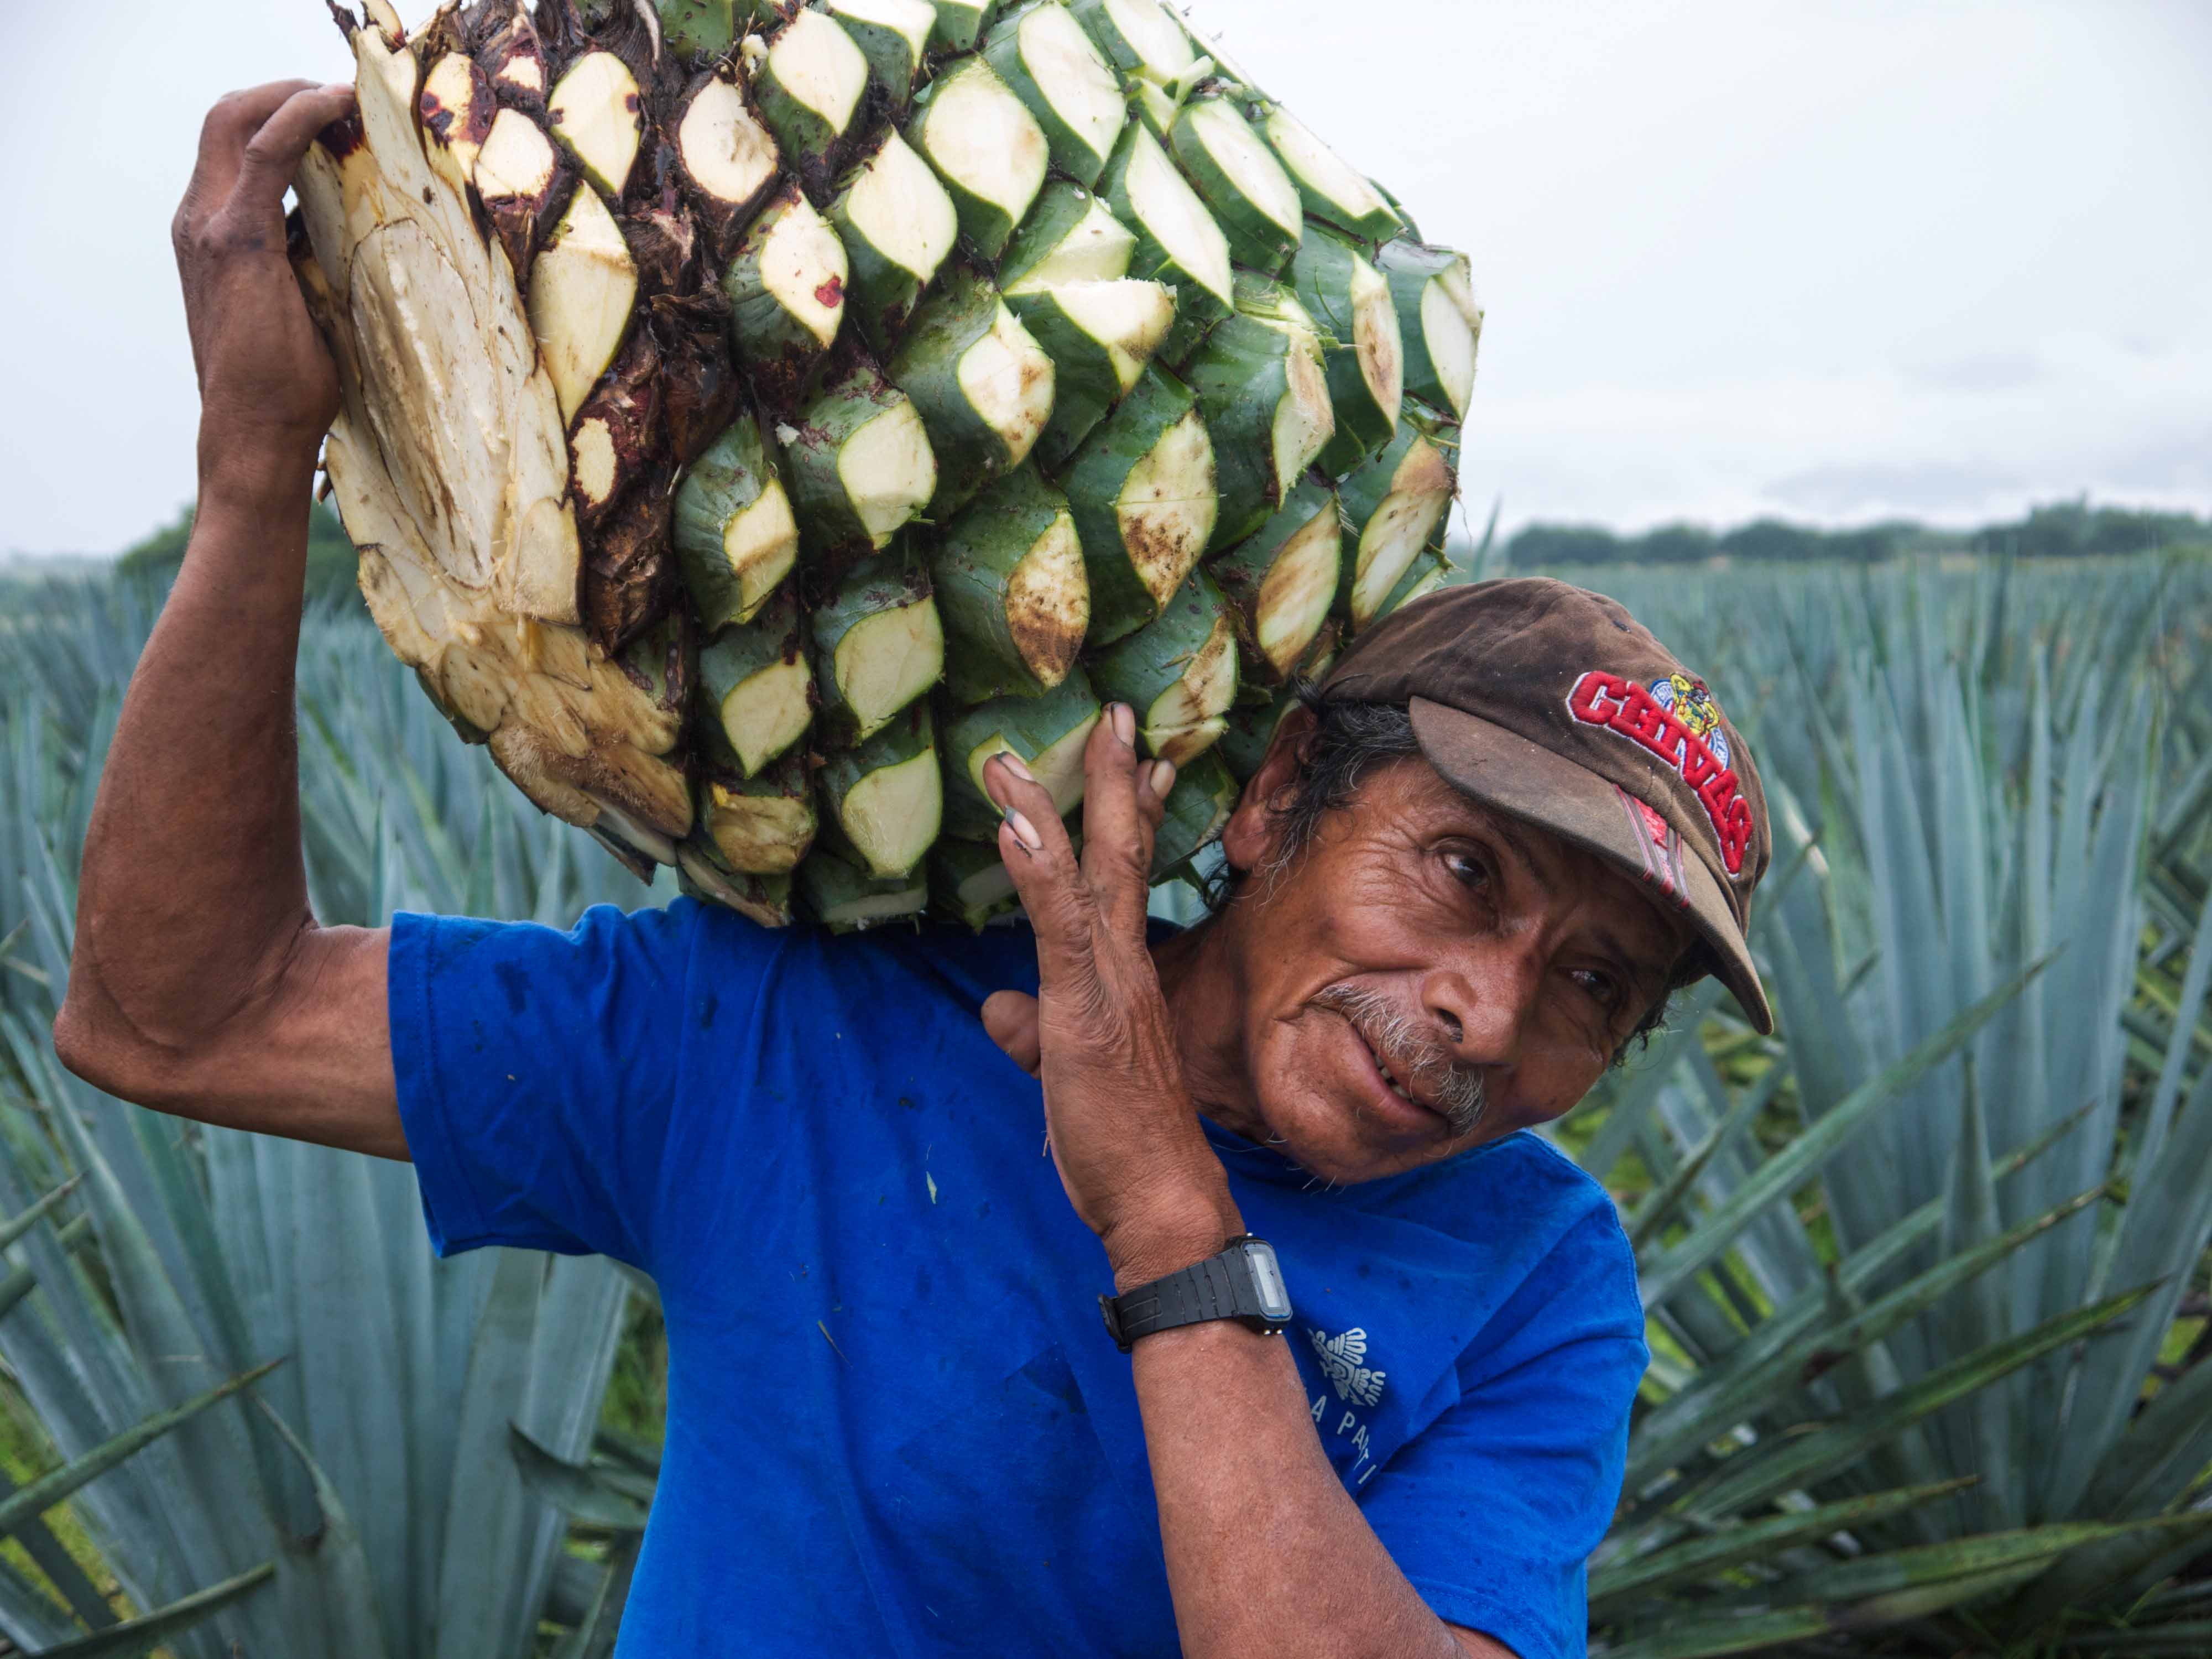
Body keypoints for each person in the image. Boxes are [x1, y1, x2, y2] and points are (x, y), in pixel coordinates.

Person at [56, 81, 1775, 1659]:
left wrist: (1164, 1208)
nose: (1486, 1010)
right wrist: (251, 473)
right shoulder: (813, 1026)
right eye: (1464, 871)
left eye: (1595, 984)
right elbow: (181, 1019)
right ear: (1275, 797)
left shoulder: (1537, 1273)